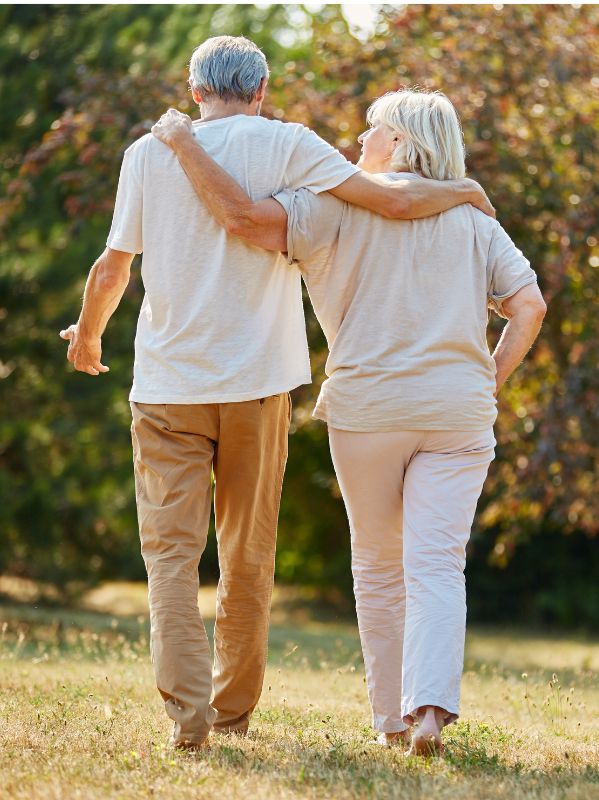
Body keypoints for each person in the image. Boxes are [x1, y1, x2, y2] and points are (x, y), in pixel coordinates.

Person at [59, 37, 494, 751]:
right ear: (261, 89)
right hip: (258, 386)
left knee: (169, 559)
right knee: (247, 556)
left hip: (167, 387)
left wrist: (87, 336)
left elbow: (114, 266)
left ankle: (186, 718)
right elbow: (385, 197)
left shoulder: (146, 153)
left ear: (194, 90)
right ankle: (231, 713)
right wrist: (464, 192)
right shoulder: (291, 144)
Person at [151, 88, 546, 755]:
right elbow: (528, 306)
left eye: (369, 131)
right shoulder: (473, 216)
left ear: (395, 141)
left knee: (378, 565)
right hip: (456, 410)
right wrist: (488, 377)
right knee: (437, 565)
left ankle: (390, 722)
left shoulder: (330, 205)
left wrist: (185, 147)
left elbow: (247, 223)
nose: (355, 142)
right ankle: (428, 712)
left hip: (368, 409)